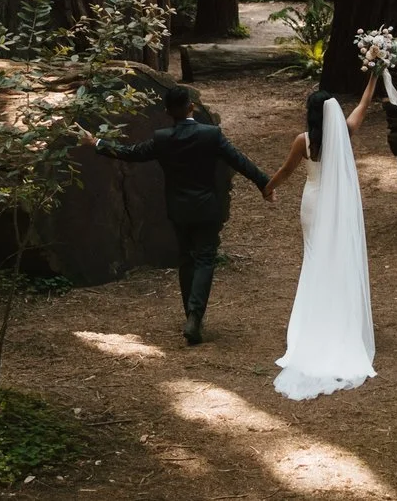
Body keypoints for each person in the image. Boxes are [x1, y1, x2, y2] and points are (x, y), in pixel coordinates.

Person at [83, 84, 271, 345]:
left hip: (179, 209)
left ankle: (191, 315)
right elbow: (238, 160)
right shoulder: (211, 135)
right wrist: (264, 183)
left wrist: (98, 143)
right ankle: (195, 315)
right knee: (205, 258)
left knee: (186, 259)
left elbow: (132, 153)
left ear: (168, 111)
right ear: (190, 107)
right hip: (207, 207)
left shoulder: (163, 139)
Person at [265, 68, 380, 399]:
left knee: (314, 258)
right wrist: (373, 78)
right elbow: (363, 105)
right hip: (338, 206)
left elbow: (286, 171)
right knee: (336, 257)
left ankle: (313, 322)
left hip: (314, 203)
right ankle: (340, 319)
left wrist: (267, 187)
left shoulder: (304, 141)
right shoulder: (344, 132)